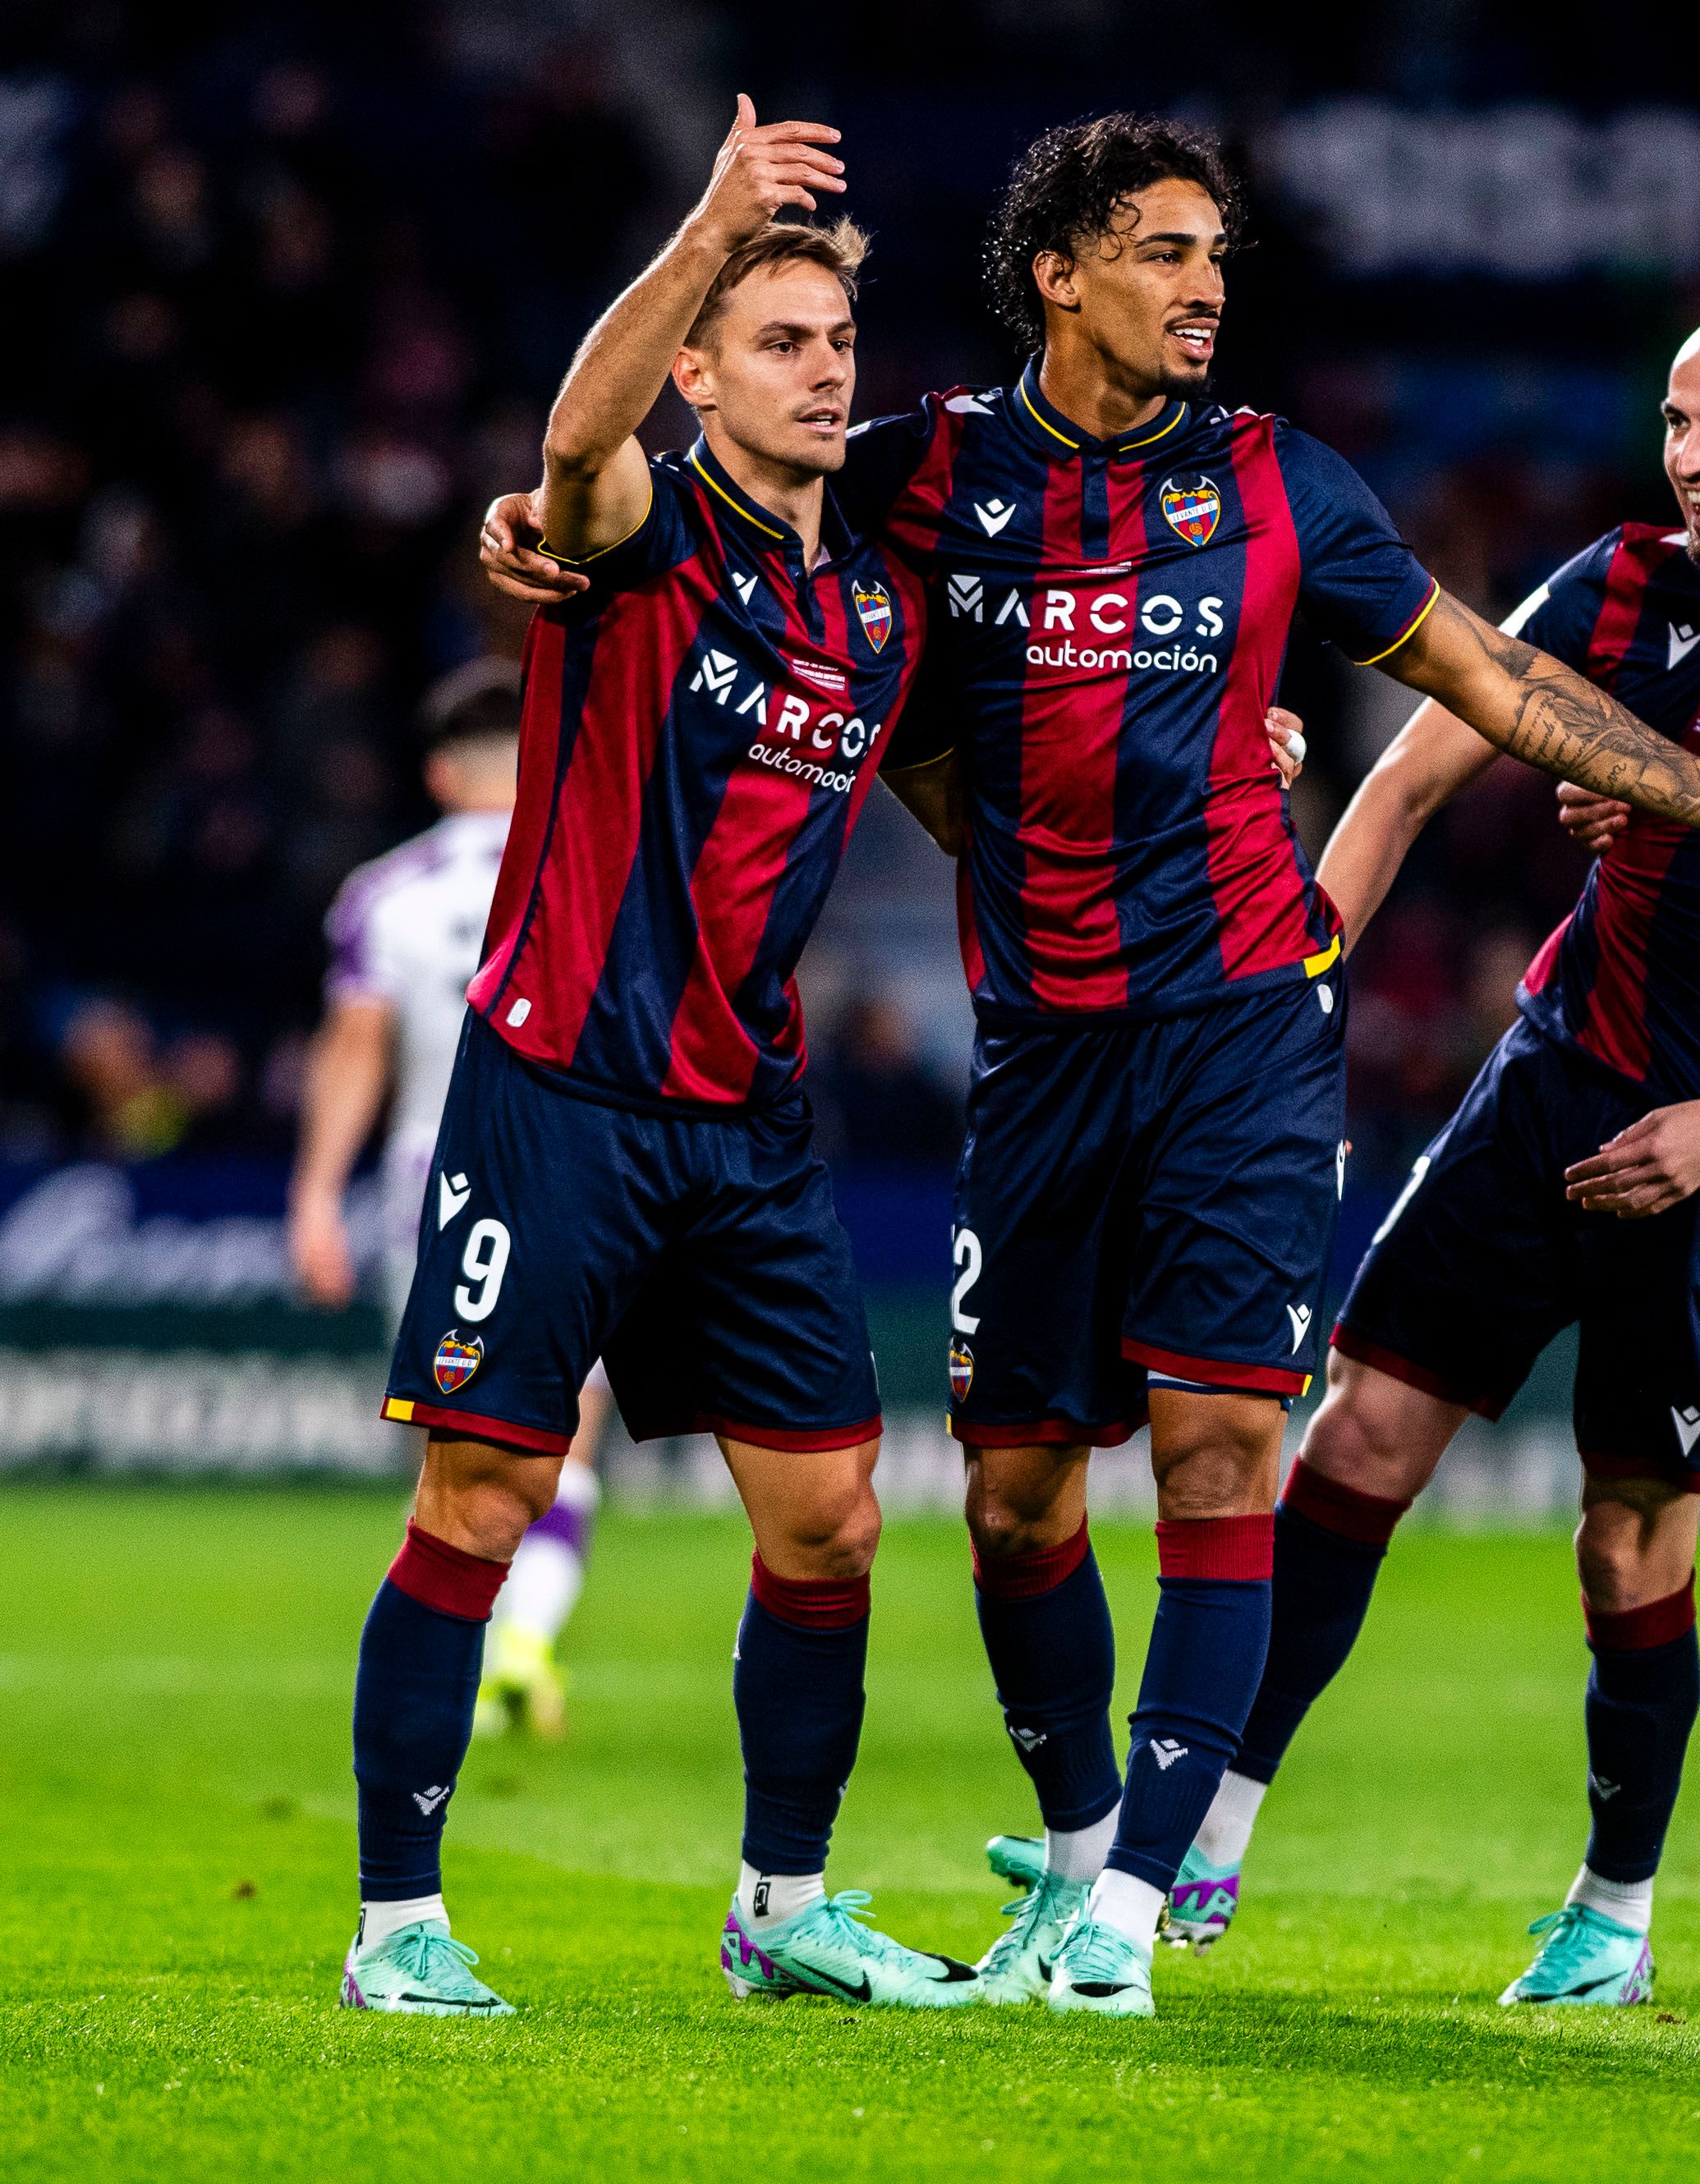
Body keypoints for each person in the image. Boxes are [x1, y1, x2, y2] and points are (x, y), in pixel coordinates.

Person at [995, 303, 1700, 2005]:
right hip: (1547, 1080)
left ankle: (1610, 1912)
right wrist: (1283, 1012)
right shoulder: (1614, 585)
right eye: (1675, 421)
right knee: (1354, 1440)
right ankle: (1210, 1836)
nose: (1688, 457)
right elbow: (1399, 785)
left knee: (1628, 1541)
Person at [342, 99, 978, 2018]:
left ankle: (778, 1906)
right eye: (777, 342)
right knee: (475, 1498)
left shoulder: (877, 603)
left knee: (835, 1516)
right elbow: (568, 444)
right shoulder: (631, 530)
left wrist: (1241, 774)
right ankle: (396, 1930)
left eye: (835, 345)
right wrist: (705, 232)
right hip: (559, 1091)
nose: (817, 373)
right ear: (699, 365)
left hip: (745, 1117)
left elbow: (981, 796)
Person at [291, 661, 609, 1743]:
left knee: (448, 1441)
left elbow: (355, 1050)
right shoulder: (596, 868)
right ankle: (527, 1644)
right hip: (576, 1167)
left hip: (433, 1178)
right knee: (568, 1432)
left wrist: (314, 1198)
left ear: (436, 771)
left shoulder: (385, 894)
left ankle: (459, 1659)